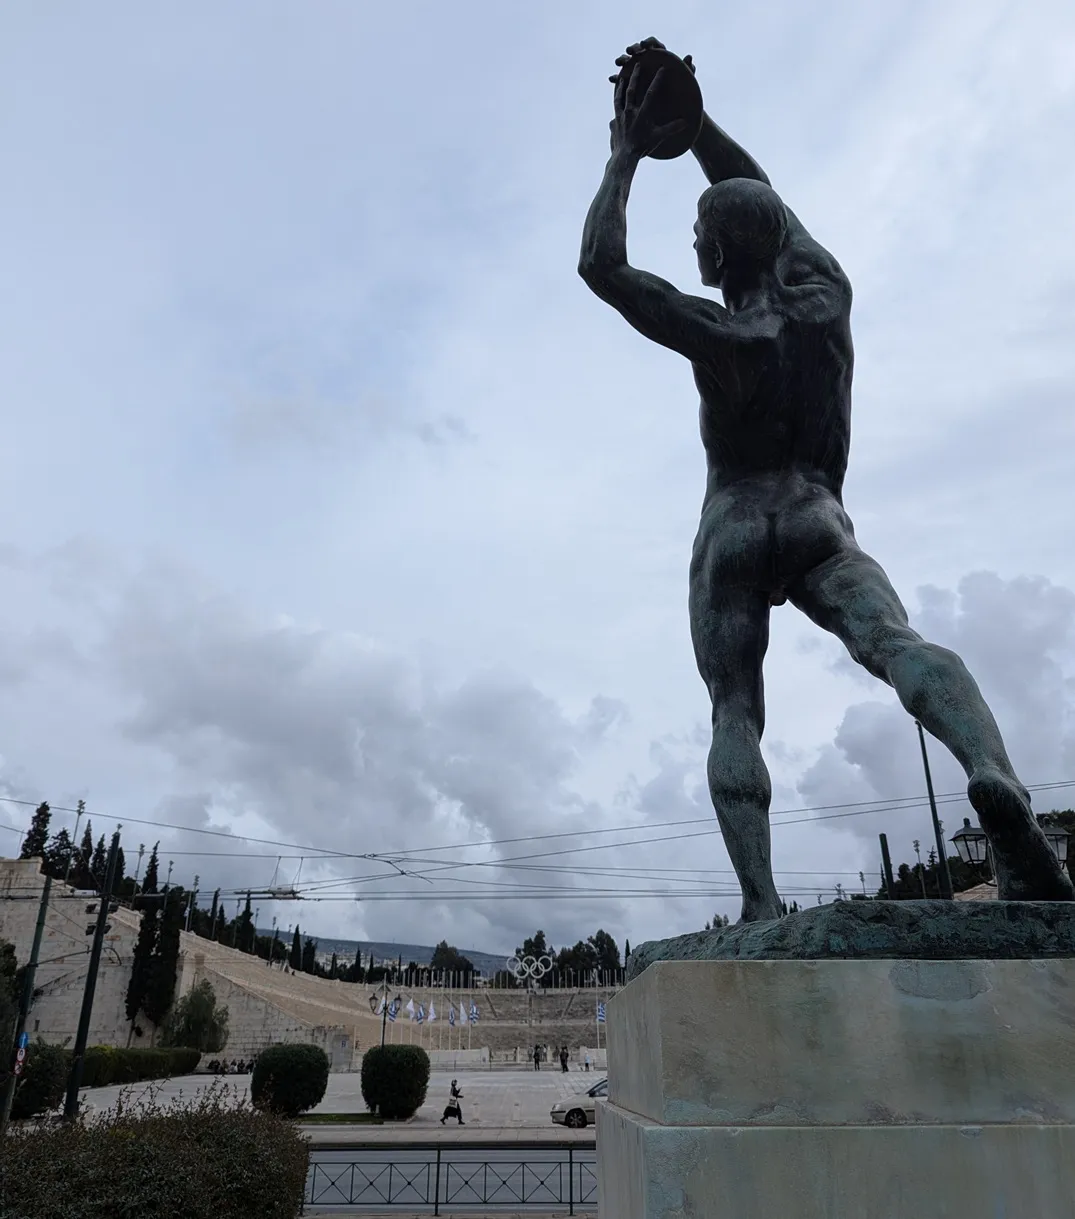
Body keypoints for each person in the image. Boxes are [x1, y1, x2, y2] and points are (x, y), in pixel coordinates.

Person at [578, 36, 1074, 921]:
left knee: (735, 710)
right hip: (817, 518)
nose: (694, 242)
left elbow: (602, 269)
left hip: (732, 525)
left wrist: (625, 154)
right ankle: (991, 772)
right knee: (897, 644)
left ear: (713, 256)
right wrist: (697, 131)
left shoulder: (721, 335)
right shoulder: (824, 295)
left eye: (699, 235)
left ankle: (762, 903)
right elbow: (765, 201)